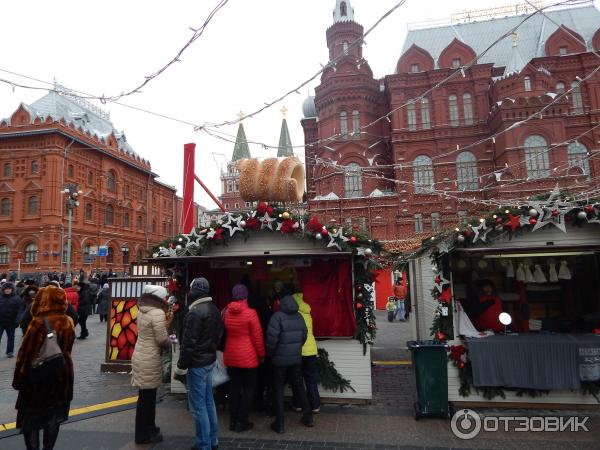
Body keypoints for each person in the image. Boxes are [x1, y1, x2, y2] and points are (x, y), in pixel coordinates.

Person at [13, 285, 75, 450]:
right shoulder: (68, 322)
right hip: (62, 375)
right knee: (53, 418)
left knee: (31, 420)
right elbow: (68, 348)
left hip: (37, 379)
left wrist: (18, 381)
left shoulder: (38, 324)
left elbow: (25, 356)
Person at [174, 277, 223, 450]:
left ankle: (204, 444)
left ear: (194, 291)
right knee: (209, 401)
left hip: (197, 365)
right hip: (209, 361)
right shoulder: (215, 309)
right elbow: (218, 336)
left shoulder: (194, 312)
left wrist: (180, 368)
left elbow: (188, 344)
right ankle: (213, 440)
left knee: (198, 406)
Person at [266, 294, 313, 433]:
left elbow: (271, 340)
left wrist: (271, 354)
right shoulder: (299, 317)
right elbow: (304, 336)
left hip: (279, 360)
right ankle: (308, 417)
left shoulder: (277, 317)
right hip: (295, 359)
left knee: (279, 388)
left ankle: (280, 424)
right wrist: (296, 349)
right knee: (299, 386)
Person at [131, 285, 172, 444]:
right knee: (147, 398)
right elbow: (161, 338)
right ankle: (142, 434)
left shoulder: (143, 309)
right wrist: (171, 343)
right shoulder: (157, 312)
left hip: (141, 353)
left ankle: (150, 428)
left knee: (146, 397)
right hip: (150, 356)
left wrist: (165, 325)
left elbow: (150, 331)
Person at [223, 283, 265, 432]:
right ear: (246, 296)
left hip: (231, 354)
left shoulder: (226, 312)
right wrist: (261, 354)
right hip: (248, 356)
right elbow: (257, 337)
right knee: (248, 389)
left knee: (234, 388)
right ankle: (242, 421)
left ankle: (232, 421)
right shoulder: (251, 313)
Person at [292, 293, 320, 413]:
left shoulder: (294, 315)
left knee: (298, 379)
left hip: (299, 350)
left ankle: (298, 404)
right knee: (311, 378)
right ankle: (315, 405)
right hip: (311, 350)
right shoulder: (308, 313)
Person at [0, 282, 22, 357]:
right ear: (3, 290)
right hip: (1, 322)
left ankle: (10, 352)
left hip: (11, 322)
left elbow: (20, 311)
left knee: (11, 338)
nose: (7, 290)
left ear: (12, 289)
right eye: (6, 289)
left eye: (9, 289)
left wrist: (17, 321)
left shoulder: (17, 298)